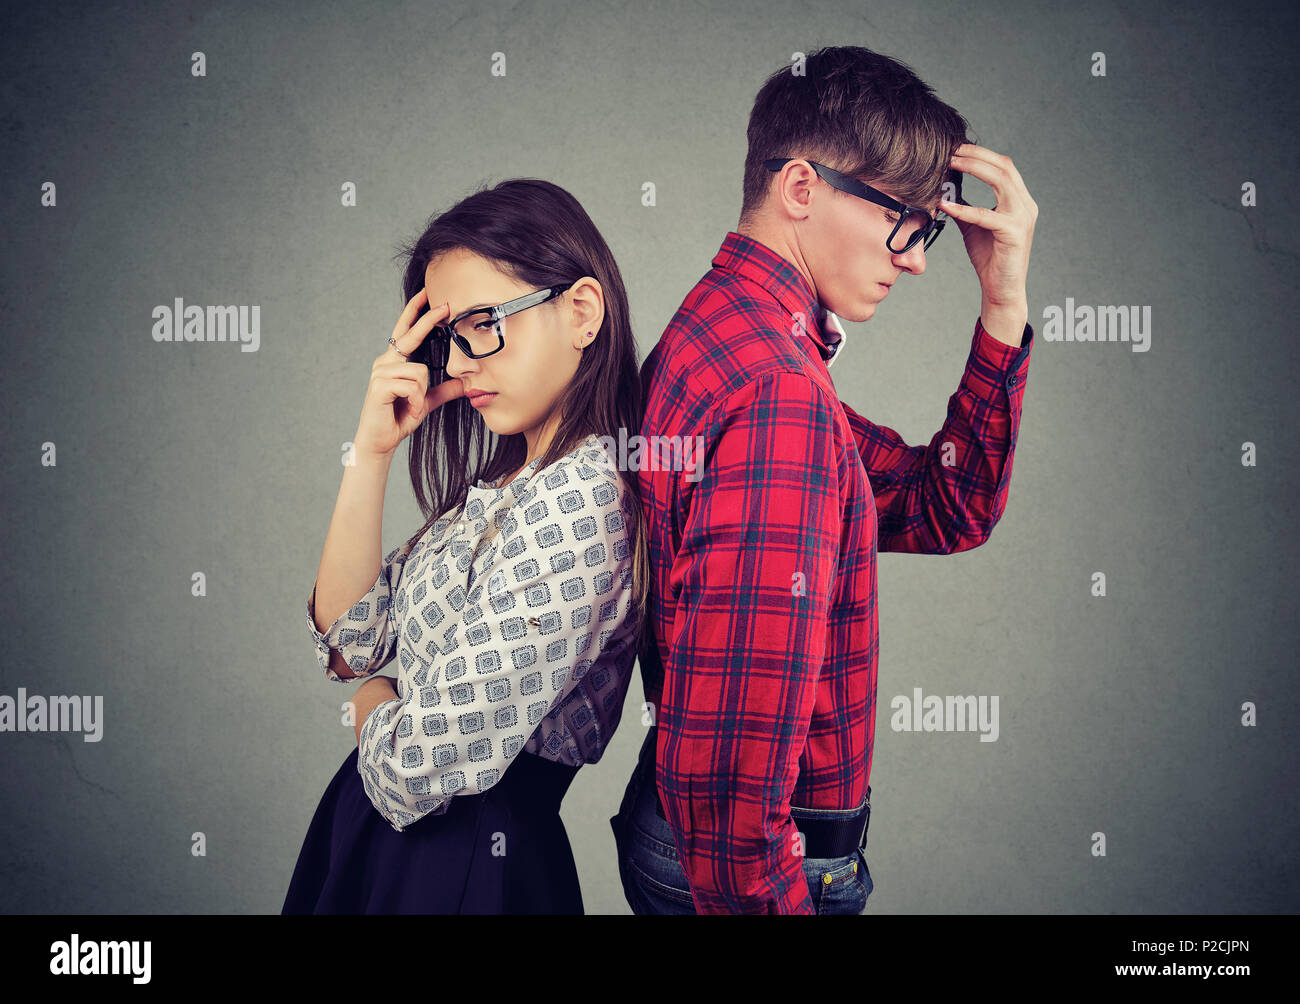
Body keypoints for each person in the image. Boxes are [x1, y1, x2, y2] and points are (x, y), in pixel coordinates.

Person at [610, 45, 1038, 914]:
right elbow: (732, 779)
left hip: (686, 837)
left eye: (927, 231)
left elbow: (944, 506)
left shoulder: (724, 327)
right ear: (801, 188)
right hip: (753, 866)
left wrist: (1002, 306)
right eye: (905, 222)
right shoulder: (778, 396)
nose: (918, 259)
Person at [283, 178, 649, 915]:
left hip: (465, 869)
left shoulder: (581, 500)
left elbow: (410, 769)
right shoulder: (510, 480)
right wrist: (373, 448)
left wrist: (374, 704)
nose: (455, 364)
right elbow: (350, 641)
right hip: (390, 851)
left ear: (581, 311)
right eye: (449, 338)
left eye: (484, 323)